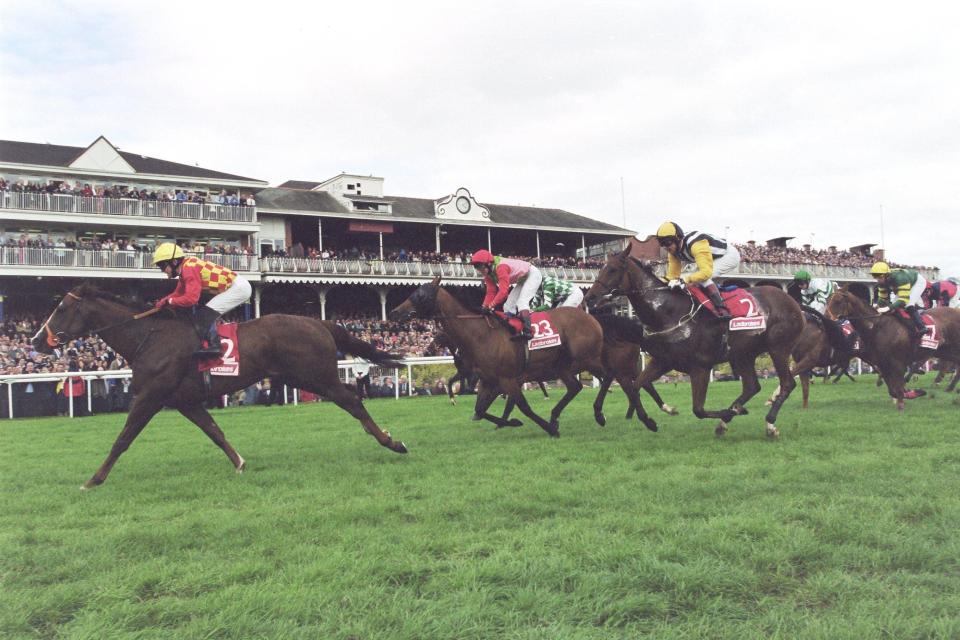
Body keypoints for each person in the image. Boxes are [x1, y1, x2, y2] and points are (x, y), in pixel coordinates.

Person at [152, 242, 252, 357]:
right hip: (236, 285)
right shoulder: (186, 267)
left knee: (205, 314)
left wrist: (169, 302)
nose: (162, 270)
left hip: (238, 287)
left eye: (162, 266)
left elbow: (191, 299)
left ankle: (215, 346)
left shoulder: (189, 269)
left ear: (174, 262)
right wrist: (161, 302)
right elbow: (177, 293)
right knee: (204, 313)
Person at [655, 221, 740, 319]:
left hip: (728, 255)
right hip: (712, 258)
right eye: (662, 244)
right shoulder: (673, 251)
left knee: (701, 278)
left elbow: (706, 273)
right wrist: (657, 280)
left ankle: (723, 310)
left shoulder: (696, 244)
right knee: (686, 278)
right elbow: (673, 276)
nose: (666, 247)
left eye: (667, 243)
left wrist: (684, 280)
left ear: (677, 239)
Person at [470, 249, 543, 340]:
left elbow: (503, 292)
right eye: (477, 268)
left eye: (481, 268)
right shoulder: (488, 274)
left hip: (533, 274)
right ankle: (515, 329)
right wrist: (484, 306)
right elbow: (491, 292)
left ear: (488, 264)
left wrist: (491, 305)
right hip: (523, 279)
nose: (480, 271)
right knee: (508, 306)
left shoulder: (501, 267)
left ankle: (528, 332)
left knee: (522, 302)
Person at [870, 261, 927, 334]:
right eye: (876, 277)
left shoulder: (900, 278)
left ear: (887, 275)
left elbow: (903, 300)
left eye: (880, 277)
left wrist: (887, 308)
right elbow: (882, 299)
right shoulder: (881, 283)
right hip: (906, 282)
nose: (878, 280)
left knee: (908, 304)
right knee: (894, 307)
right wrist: (876, 306)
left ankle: (922, 327)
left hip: (917, 282)